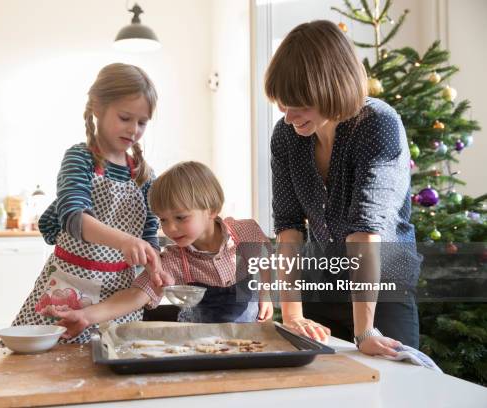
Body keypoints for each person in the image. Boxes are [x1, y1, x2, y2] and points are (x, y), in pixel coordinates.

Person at [264, 20, 421, 355]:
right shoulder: (285, 136)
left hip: (383, 292)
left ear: (331, 89)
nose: (289, 116)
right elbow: (288, 229)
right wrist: (293, 315)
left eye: (300, 103)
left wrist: (365, 333)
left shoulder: (377, 124)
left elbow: (365, 231)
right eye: (282, 103)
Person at [9, 63, 162, 343]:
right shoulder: (80, 158)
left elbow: (150, 234)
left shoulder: (145, 175)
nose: (134, 129)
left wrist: (155, 265)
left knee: (109, 369)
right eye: (125, 117)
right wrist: (125, 241)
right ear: (98, 109)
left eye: (142, 122)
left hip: (118, 300)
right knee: (52, 367)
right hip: (68, 289)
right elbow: (74, 217)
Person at [46, 161, 274, 339]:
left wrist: (265, 294)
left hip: (246, 341)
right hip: (198, 346)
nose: (170, 228)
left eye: (180, 217)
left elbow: (266, 259)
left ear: (211, 209)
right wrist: (86, 316)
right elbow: (135, 295)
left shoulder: (244, 233)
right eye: (163, 219)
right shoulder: (172, 261)